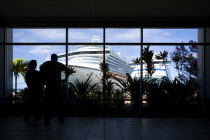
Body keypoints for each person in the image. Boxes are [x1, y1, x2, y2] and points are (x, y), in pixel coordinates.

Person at [40, 54, 69, 124]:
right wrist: (65, 79)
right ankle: (60, 117)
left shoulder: (46, 64)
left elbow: (41, 68)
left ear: (51, 58)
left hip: (49, 86)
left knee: (48, 103)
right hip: (58, 86)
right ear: (57, 58)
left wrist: (44, 78)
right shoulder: (59, 64)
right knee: (59, 102)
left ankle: (47, 118)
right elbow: (67, 70)